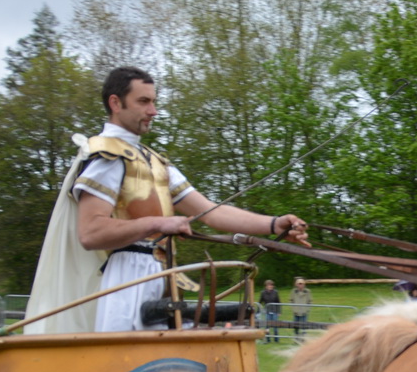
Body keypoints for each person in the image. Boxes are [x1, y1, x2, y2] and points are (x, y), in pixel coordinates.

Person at [27, 67, 309, 334]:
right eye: (144, 102)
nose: (153, 111)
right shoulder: (106, 156)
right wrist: (160, 222)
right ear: (116, 103)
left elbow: (210, 213)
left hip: (161, 273)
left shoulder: (154, 161)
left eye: (154, 102)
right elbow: (91, 233)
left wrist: (274, 224)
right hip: (127, 278)